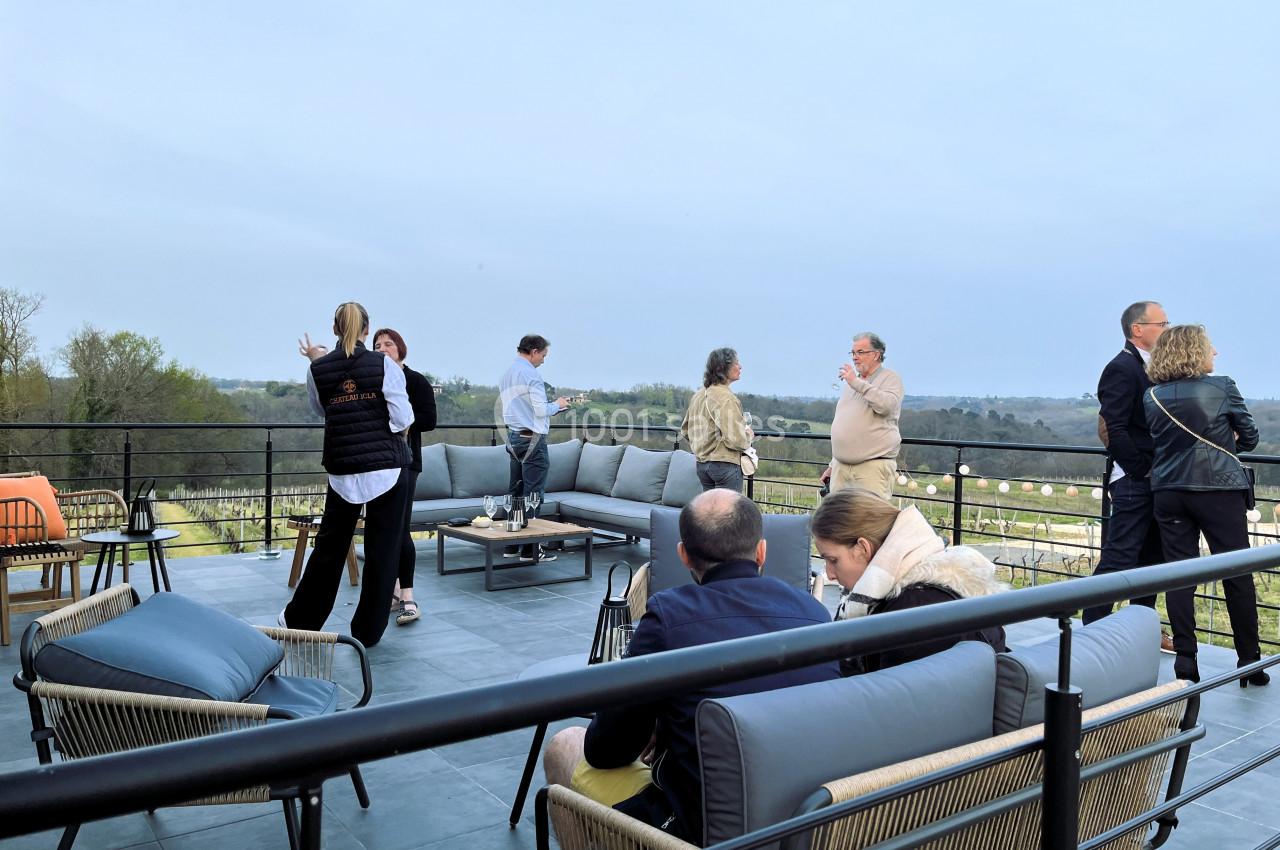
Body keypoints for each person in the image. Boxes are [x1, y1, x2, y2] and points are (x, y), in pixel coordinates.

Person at [542, 490, 839, 842]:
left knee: (565, 745)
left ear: (683, 555)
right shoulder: (816, 614)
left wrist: (657, 719)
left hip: (702, 833)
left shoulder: (669, 616)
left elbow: (605, 751)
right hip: (807, 821)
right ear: (762, 551)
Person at [282, 302, 413, 649]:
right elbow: (402, 418)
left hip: (343, 469)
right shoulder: (385, 365)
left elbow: (321, 409)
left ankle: (301, 621)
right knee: (383, 550)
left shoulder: (318, 369)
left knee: (329, 548)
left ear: (335, 329)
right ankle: (367, 632)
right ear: (367, 330)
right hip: (387, 467)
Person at [1144, 324, 1268, 687]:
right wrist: (1225, 442)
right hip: (1219, 488)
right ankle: (1249, 662)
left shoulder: (1151, 396)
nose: (1215, 353)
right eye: (1210, 347)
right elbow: (1251, 437)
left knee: (1179, 575)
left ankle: (1185, 661)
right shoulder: (1222, 387)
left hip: (1169, 490)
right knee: (1237, 573)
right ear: (1195, 351)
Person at [811, 488, 1007, 674]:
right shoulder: (924, 591)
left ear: (863, 548)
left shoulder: (913, 613)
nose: (829, 574)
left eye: (833, 560)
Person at [1082, 301, 1169, 637]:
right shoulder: (1122, 368)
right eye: (1162, 324)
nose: (1167, 330)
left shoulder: (1156, 368)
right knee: (1120, 558)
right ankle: (1093, 630)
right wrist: (1141, 469)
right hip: (1135, 481)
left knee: (1152, 560)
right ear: (1137, 329)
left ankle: (1142, 631)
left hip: (1158, 479)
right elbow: (1114, 427)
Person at [372, 328, 436, 626]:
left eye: (389, 343)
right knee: (383, 530)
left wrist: (403, 424)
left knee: (401, 529)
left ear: (400, 348)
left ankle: (407, 596)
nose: (383, 348)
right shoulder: (372, 378)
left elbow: (430, 419)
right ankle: (393, 593)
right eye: (377, 344)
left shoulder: (415, 380)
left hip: (407, 462)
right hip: (377, 463)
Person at [498, 334, 573, 561]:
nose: (543, 360)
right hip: (532, 439)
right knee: (533, 493)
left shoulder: (507, 373)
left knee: (516, 491)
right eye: (543, 355)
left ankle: (511, 545)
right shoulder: (531, 375)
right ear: (533, 351)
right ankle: (531, 549)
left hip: (513, 436)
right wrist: (558, 405)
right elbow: (540, 410)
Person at [821, 332, 902, 500]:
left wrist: (856, 383)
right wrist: (832, 465)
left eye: (860, 352)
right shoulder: (852, 384)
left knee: (869, 521)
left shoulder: (890, 378)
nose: (855, 358)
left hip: (872, 468)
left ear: (876, 355)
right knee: (838, 519)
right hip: (841, 468)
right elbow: (846, 425)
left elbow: (886, 406)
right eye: (853, 353)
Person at [678, 347, 753, 492]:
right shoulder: (726, 398)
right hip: (725, 466)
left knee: (711, 512)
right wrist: (748, 435)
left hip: (702, 466)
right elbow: (737, 440)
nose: (740, 366)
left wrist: (704, 446)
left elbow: (685, 430)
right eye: (736, 363)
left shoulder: (698, 395)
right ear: (723, 368)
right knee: (727, 513)